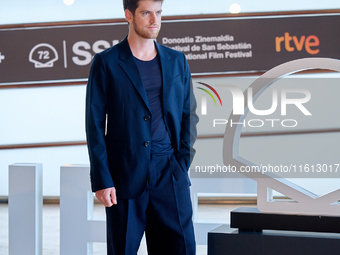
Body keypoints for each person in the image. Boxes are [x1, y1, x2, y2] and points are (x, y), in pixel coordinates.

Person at [85, 0, 199, 254]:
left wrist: (181, 163)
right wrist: (102, 180)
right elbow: (94, 125)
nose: (154, 20)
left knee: (182, 248)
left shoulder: (177, 60)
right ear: (129, 15)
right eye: (146, 13)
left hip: (169, 172)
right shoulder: (106, 62)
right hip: (125, 175)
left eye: (158, 13)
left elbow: (188, 114)